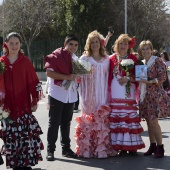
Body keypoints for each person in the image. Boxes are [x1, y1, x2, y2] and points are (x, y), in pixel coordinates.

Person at [0, 32, 44, 170]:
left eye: (17, 43)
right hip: (6, 108)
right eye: (11, 43)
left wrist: (35, 101)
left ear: (20, 45)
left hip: (23, 105)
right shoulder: (2, 62)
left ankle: (25, 163)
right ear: (6, 44)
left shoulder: (25, 62)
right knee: (11, 136)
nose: (14, 46)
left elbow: (33, 82)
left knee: (24, 135)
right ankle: (14, 163)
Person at [74, 30, 117, 158]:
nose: (95, 44)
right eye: (92, 42)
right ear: (89, 44)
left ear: (101, 43)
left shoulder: (106, 59)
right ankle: (87, 149)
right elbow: (78, 77)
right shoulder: (84, 58)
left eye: (97, 41)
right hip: (88, 95)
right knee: (88, 121)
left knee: (100, 122)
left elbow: (110, 76)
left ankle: (101, 149)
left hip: (102, 95)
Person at [108, 34, 145, 156]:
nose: (122, 46)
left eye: (125, 43)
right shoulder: (111, 58)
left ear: (129, 46)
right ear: (117, 45)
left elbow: (142, 76)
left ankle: (131, 145)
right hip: (115, 92)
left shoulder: (135, 59)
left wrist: (128, 79)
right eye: (120, 43)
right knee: (117, 119)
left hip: (128, 94)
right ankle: (119, 145)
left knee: (127, 118)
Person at [44, 34, 79, 161]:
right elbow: (49, 72)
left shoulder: (76, 58)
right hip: (57, 95)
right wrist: (67, 77)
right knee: (54, 123)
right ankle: (50, 150)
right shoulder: (57, 55)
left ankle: (66, 149)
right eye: (71, 44)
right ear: (65, 44)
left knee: (66, 124)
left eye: (76, 45)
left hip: (70, 95)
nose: (73, 47)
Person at [138, 40, 170, 158]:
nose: (145, 51)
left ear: (151, 50)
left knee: (154, 122)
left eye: (147, 49)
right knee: (148, 121)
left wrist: (149, 81)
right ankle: (152, 146)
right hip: (144, 95)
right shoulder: (141, 63)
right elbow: (139, 79)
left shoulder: (157, 60)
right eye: (143, 49)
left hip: (155, 95)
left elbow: (163, 77)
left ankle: (160, 147)